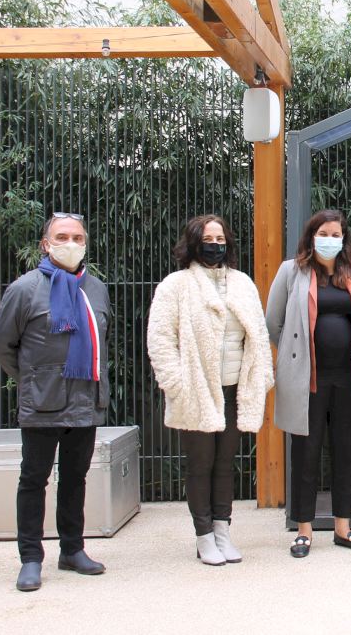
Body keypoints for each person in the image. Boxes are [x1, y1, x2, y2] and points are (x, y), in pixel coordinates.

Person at [0, 212, 110, 592]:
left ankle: (72, 550)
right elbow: (3, 345)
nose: (70, 243)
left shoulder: (96, 288)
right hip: (42, 402)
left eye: (77, 237)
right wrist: (33, 379)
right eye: (62, 237)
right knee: (33, 480)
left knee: (75, 478)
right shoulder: (24, 289)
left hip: (85, 401)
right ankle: (30, 558)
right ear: (45, 244)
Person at [146, 215, 274, 565]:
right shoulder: (176, 285)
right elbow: (160, 339)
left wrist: (261, 377)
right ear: (193, 242)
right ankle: (203, 536)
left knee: (225, 464)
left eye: (220, 238)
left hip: (235, 389)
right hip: (197, 390)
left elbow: (258, 335)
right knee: (200, 464)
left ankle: (222, 532)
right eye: (208, 238)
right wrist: (176, 384)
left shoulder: (243, 283)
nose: (215, 244)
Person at [266, 209, 351, 558]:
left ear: (344, 239)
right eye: (323, 233)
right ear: (311, 237)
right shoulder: (291, 271)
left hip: (348, 379)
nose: (330, 240)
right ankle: (304, 530)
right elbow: (273, 323)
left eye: (335, 234)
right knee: (306, 453)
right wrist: (295, 355)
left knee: (345, 451)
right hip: (308, 380)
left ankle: (343, 528)